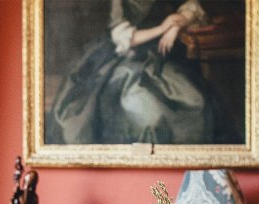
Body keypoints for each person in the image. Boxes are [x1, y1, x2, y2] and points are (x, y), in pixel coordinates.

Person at [47, 0, 241, 145]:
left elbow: (192, 7)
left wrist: (178, 24)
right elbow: (123, 37)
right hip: (126, 60)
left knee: (196, 101)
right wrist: (163, 28)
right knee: (149, 111)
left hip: (162, 60)